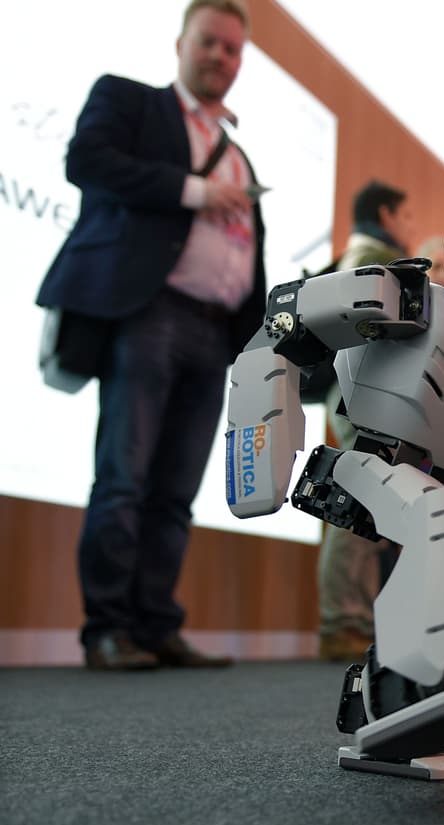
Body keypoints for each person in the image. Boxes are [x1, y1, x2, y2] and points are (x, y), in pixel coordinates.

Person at [34, 0, 264, 671]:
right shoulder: (130, 101)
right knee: (125, 477)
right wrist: (192, 192)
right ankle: (107, 628)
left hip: (218, 334)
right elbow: (87, 161)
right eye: (209, 43)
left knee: (177, 492)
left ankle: (155, 622)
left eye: (231, 49)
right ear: (181, 43)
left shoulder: (241, 156)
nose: (220, 56)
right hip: (149, 314)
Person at [314, 183, 419, 662]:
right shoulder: (372, 260)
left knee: (364, 503)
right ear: (385, 213)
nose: (410, 227)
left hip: (359, 396)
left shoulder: (359, 258)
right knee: (356, 503)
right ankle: (342, 622)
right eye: (406, 215)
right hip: (364, 398)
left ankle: (348, 620)